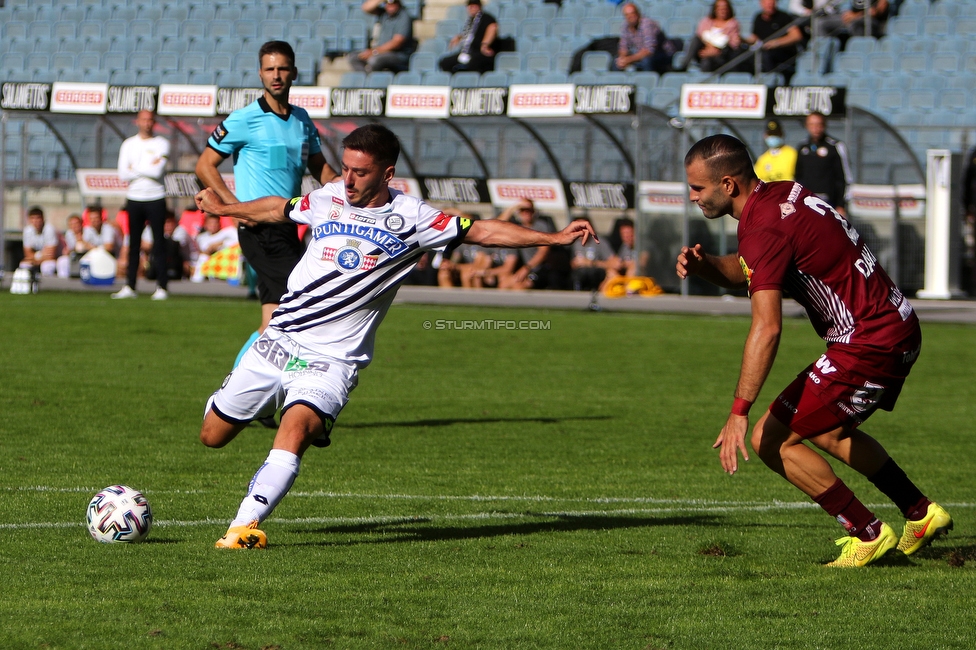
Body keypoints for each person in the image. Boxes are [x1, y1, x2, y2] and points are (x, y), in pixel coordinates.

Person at [193, 124, 597, 549]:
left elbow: (483, 230)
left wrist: (551, 237)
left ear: (387, 174)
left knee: (295, 431)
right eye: (345, 168)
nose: (346, 180)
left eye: (359, 172)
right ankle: (257, 403)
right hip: (278, 342)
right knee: (212, 436)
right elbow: (279, 207)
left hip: (332, 361)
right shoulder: (327, 196)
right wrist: (226, 210)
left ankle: (243, 527)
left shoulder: (415, 219)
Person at [675, 134, 952, 567]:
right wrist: (706, 265)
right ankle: (920, 513)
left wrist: (738, 411)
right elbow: (753, 267)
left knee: (771, 439)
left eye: (697, 188)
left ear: (727, 185)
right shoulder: (782, 193)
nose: (692, 197)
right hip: (892, 326)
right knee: (827, 430)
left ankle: (868, 533)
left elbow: (767, 328)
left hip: (866, 341)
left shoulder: (763, 227)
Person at [195, 41, 338, 368]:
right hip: (259, 231)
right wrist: (237, 208)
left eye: (283, 69)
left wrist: (351, 188)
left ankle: (239, 393)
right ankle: (259, 391)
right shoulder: (245, 119)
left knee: (273, 319)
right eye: (270, 69)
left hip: (288, 228)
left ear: (294, 73)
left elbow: (321, 169)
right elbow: (204, 165)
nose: (276, 75)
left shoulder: (302, 120)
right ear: (260, 73)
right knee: (306, 303)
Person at [113, 110, 170, 300]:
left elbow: (157, 171)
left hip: (156, 197)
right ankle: (130, 286)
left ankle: (162, 287)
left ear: (154, 123)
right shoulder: (128, 144)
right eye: (144, 120)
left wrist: (134, 168)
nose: (147, 123)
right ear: (137, 122)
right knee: (133, 243)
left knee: (158, 243)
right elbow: (123, 174)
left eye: (150, 120)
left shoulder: (162, 143)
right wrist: (146, 166)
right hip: (134, 198)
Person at [794, 111, 852, 216]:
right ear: (807, 126)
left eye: (818, 124)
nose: (815, 128)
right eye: (812, 124)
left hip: (830, 203)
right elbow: (798, 177)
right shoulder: (802, 147)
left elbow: (845, 177)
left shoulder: (835, 146)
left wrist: (841, 204)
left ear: (824, 125)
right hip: (807, 203)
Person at [349, 0, 415, 74]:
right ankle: (366, 80)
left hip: (398, 54)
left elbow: (397, 42)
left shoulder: (404, 17)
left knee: (374, 60)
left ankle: (375, 81)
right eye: (388, 4)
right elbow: (366, 8)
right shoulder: (384, 14)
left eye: (393, 4)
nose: (391, 6)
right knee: (354, 57)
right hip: (380, 51)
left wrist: (374, 52)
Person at [746, 0, 803, 82]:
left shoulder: (784, 17)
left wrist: (777, 43)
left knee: (767, 56)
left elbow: (796, 36)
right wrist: (742, 39)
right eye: (767, 3)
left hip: (782, 53)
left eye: (772, 3)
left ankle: (770, 80)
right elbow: (755, 38)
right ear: (761, 4)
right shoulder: (758, 17)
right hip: (764, 51)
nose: (770, 5)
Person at [682, 0, 745, 72]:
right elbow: (701, 35)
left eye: (724, 8)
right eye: (719, 8)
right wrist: (709, 48)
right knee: (695, 40)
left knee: (706, 62)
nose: (722, 11)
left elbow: (734, 43)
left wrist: (716, 51)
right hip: (704, 50)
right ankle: (684, 65)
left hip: (721, 54)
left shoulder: (733, 24)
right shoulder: (706, 21)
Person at [438, 0, 497, 73]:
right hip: (467, 52)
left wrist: (485, 44)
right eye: (470, 6)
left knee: (474, 62)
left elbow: (492, 28)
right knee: (445, 62)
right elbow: (471, 34)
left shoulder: (486, 18)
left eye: (475, 6)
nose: (472, 8)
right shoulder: (470, 20)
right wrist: (460, 37)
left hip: (479, 52)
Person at [615, 2, 674, 74]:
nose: (631, 16)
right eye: (627, 15)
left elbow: (649, 50)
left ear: (638, 13)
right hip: (640, 54)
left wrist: (629, 59)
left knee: (647, 61)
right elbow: (623, 46)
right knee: (616, 63)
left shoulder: (647, 24)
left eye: (633, 13)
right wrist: (622, 59)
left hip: (662, 55)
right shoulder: (626, 26)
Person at [143, 212, 193, 281]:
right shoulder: (152, 227)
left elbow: (172, 247)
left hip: (188, 262)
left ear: (175, 222)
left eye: (169, 222)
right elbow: (145, 246)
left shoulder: (181, 230)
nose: (167, 225)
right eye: (164, 222)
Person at [191, 214, 239, 282]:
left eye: (215, 223)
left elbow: (237, 241)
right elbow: (204, 250)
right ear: (205, 225)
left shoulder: (227, 233)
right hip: (209, 261)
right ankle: (196, 281)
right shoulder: (201, 238)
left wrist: (219, 244)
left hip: (225, 260)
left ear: (219, 224)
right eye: (210, 223)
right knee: (203, 257)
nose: (213, 226)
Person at [815, 0, 888, 39]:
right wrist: (848, 14)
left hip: (870, 21)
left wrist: (855, 16)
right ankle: (826, 53)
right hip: (853, 17)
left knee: (854, 24)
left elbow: (873, 12)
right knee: (821, 23)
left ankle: (859, 50)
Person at [21, 206, 58, 276]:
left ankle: (48, 286)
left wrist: (36, 260)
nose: (35, 221)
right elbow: (27, 253)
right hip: (36, 259)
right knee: (24, 265)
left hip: (52, 259)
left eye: (38, 218)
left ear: (43, 219)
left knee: (47, 267)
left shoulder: (49, 229)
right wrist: (37, 258)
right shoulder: (27, 230)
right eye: (32, 218)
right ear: (29, 220)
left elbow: (51, 254)